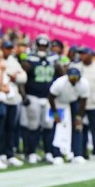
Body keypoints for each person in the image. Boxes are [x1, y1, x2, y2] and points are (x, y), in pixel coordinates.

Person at [20, 35, 61, 164]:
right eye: (40, 46)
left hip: (49, 98)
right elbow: (22, 75)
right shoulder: (29, 58)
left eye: (44, 46)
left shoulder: (53, 58)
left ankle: (48, 152)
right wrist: (24, 95)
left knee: (48, 126)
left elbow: (61, 74)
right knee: (33, 126)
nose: (42, 48)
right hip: (33, 96)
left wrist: (56, 64)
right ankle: (31, 153)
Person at [48, 67, 89, 162]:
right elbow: (51, 98)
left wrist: (79, 116)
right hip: (59, 103)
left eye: (76, 78)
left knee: (77, 127)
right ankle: (57, 155)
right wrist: (55, 114)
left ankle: (77, 154)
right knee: (58, 128)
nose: (74, 80)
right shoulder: (59, 83)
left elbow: (83, 101)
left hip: (74, 102)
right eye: (72, 77)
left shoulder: (84, 84)